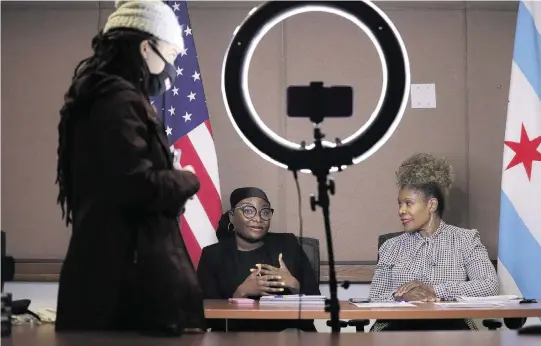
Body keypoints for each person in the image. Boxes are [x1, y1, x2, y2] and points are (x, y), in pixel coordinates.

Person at [54, 0, 205, 334]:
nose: (172, 66)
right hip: (128, 289)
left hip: (112, 278)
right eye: (170, 53)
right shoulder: (118, 100)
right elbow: (137, 186)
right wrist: (187, 179)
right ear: (145, 47)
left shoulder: (98, 96)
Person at [368, 153, 499, 331]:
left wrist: (435, 290)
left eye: (408, 203)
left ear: (432, 205)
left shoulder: (466, 240)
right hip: (396, 327)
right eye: (399, 204)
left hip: (451, 329)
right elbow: (375, 296)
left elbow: (489, 285)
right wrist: (402, 296)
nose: (401, 210)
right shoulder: (391, 246)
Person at [197, 187, 321, 332]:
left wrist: (294, 285)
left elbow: (316, 306)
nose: (258, 219)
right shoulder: (213, 255)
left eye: (265, 212)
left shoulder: (288, 245)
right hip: (236, 339)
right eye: (248, 211)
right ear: (231, 216)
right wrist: (240, 294)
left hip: (288, 337)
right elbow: (208, 319)